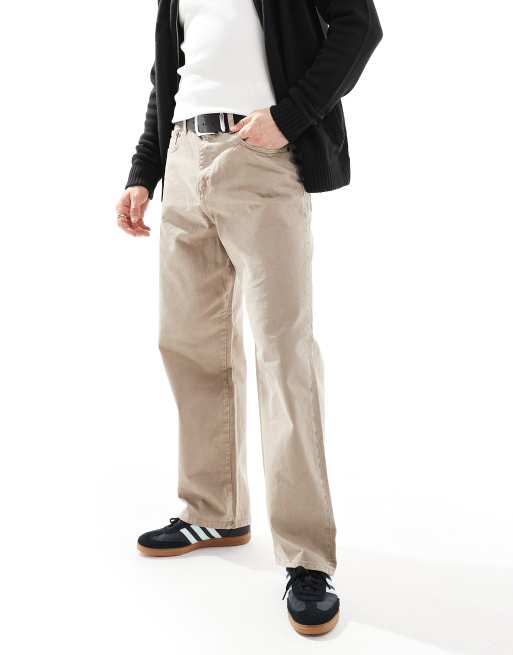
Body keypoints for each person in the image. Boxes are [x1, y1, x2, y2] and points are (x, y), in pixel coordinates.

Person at [116, 0, 382, 636]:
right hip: (184, 160)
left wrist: (288, 117)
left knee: (283, 355)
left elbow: (360, 27)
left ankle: (307, 558)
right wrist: (144, 171)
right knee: (189, 346)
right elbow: (168, 76)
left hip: (259, 158)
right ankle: (214, 511)